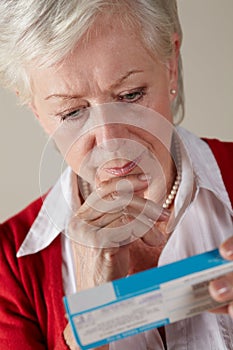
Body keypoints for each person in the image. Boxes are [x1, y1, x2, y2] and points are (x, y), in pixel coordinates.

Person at [0, 0, 232, 349]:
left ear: (170, 65)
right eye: (72, 112)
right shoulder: (8, 269)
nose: (111, 141)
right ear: (37, 110)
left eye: (130, 95)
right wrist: (88, 326)